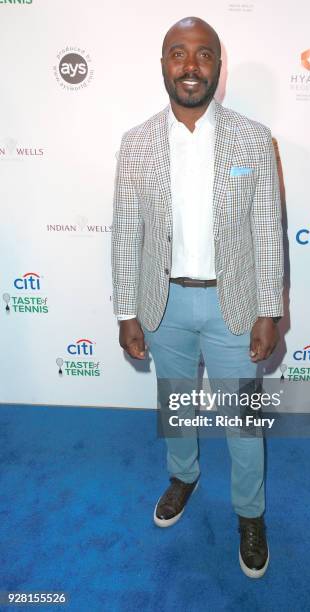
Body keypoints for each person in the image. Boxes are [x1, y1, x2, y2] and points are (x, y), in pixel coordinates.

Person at [111, 16, 283, 579]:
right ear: (163, 64)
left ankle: (250, 514)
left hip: (233, 306)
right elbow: (126, 230)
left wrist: (270, 310)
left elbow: (266, 229)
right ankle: (183, 476)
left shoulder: (254, 139)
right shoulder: (136, 142)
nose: (191, 66)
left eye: (204, 55)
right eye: (179, 54)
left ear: (219, 67)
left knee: (243, 420)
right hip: (163, 305)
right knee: (176, 405)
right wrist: (126, 311)